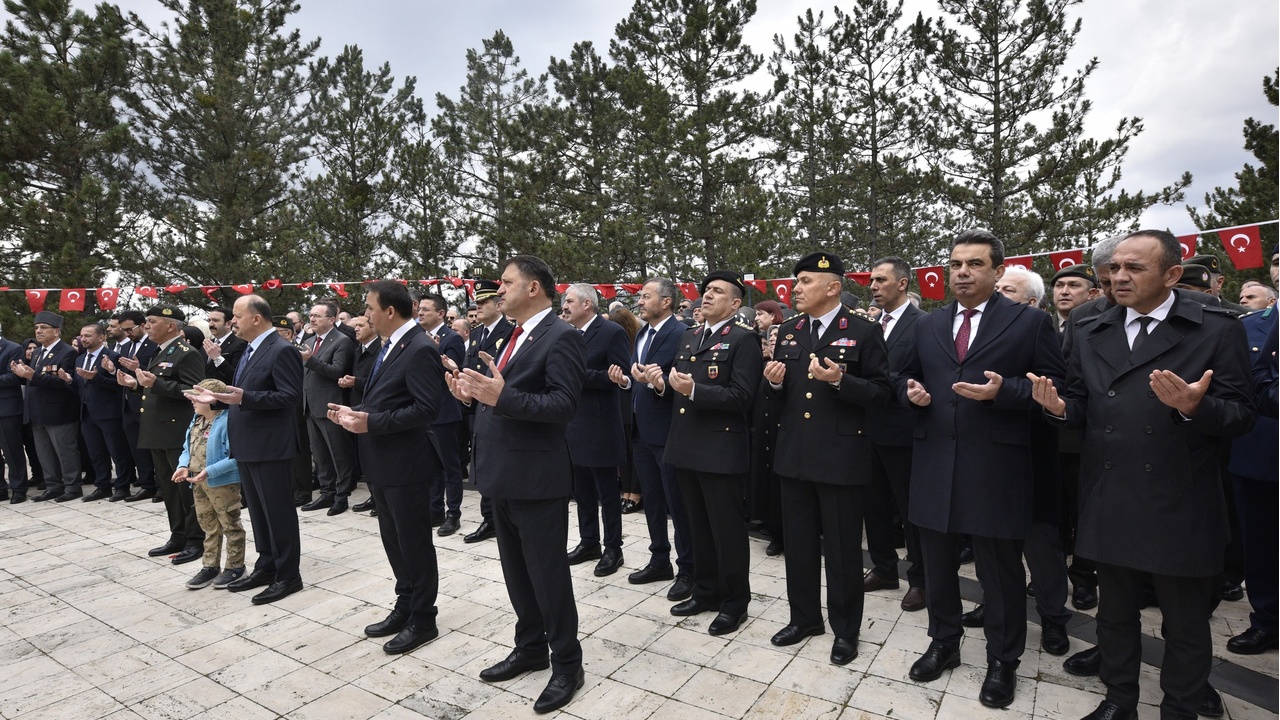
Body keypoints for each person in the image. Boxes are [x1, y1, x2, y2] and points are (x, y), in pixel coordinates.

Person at [1029, 229, 1256, 720]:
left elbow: (1242, 414)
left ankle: (1180, 707)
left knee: (1186, 624)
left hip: (1182, 499)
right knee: (1114, 615)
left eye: (1135, 268)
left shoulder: (1216, 328)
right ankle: (1119, 701)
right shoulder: (1092, 328)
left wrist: (1197, 408)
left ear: (1172, 275)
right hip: (1111, 493)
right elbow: (1081, 405)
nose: (1118, 277)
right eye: (1114, 268)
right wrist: (1058, 409)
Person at [899, 229, 1066, 709]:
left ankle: (1003, 660)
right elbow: (901, 376)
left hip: (998, 466)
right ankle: (944, 643)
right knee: (938, 565)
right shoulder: (928, 325)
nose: (963, 273)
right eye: (955, 264)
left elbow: (1058, 389)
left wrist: (1006, 392)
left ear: (998, 271)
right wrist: (909, 394)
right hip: (934, 463)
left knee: (1000, 571)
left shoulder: (1028, 323)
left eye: (974, 264)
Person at [447, 255, 587, 714]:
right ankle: (530, 648)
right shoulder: (512, 334)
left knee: (547, 574)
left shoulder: (561, 336)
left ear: (533, 288)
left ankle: (567, 663)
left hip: (536, 476)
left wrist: (501, 396)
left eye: (506, 283)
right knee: (516, 572)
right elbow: (500, 398)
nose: (497, 290)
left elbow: (564, 405)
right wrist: (473, 394)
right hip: (501, 472)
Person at [765, 252, 890, 664]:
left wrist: (840, 380)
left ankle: (846, 630)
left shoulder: (863, 330)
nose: (795, 289)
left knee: (841, 551)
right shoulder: (788, 330)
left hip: (840, 457)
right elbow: (782, 397)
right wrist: (775, 384)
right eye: (795, 281)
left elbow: (881, 393)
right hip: (795, 454)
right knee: (798, 546)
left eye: (803, 282)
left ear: (832, 287)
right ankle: (804, 618)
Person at [329, 280, 446, 654]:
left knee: (413, 543)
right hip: (383, 461)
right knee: (393, 540)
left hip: (407, 463)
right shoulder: (389, 345)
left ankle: (423, 618)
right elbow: (385, 399)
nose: (366, 314)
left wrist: (371, 422)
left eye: (369, 308)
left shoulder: (419, 348)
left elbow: (427, 409)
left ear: (390, 311)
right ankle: (405, 604)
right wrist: (357, 412)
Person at [663, 270, 762, 637]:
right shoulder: (690, 337)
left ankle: (735, 601)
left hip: (721, 449)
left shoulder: (742, 340)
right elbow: (680, 388)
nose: (707, 296)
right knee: (696, 525)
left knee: (727, 530)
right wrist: (662, 384)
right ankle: (706, 590)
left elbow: (742, 397)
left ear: (735, 304)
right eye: (706, 291)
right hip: (687, 445)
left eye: (717, 292)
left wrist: (694, 391)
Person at [192, 294, 305, 605]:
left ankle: (288, 575)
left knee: (278, 513)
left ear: (256, 318)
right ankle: (266, 565)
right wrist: (214, 400)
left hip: (271, 445)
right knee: (258, 512)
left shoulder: (282, 349)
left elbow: (289, 397)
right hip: (249, 444)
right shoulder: (250, 349)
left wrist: (243, 397)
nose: (233, 323)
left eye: (237, 317)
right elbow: (243, 393)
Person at [608, 278, 694, 602]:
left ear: (667, 301)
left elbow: (680, 383)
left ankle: (688, 568)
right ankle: (660, 559)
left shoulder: (681, 333)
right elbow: (639, 378)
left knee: (677, 504)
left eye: (646, 296)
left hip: (668, 430)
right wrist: (627, 383)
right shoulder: (642, 333)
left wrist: (659, 385)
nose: (640, 301)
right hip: (640, 430)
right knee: (653, 502)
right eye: (640, 296)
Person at [863, 256, 927, 612]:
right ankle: (884, 567)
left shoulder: (923, 324)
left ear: (902, 283)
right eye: (872, 281)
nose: (873, 286)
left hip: (904, 432)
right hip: (865, 429)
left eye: (880, 280)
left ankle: (920, 579)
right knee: (873, 506)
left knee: (909, 510)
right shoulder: (869, 324)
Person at [120, 305, 206, 563]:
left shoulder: (186, 353)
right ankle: (178, 535)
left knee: (185, 489)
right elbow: (154, 389)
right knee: (168, 488)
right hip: (157, 429)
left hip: (176, 430)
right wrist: (136, 385)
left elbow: (193, 390)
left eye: (152, 321)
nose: (147, 325)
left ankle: (195, 540)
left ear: (171, 326)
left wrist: (154, 383)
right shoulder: (161, 352)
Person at [561, 284, 630, 577]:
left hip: (600, 424)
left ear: (587, 304)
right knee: (582, 491)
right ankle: (588, 541)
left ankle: (613, 547)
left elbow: (619, 375)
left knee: (606, 492)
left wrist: (575, 374)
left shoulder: (611, 332)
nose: (564, 307)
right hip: (572, 422)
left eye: (570, 302)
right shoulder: (567, 333)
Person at [174, 378, 247, 590]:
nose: (192, 401)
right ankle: (210, 566)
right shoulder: (196, 420)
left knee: (230, 523)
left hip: (222, 484)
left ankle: (235, 566)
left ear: (213, 400)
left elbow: (236, 457)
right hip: (198, 483)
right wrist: (183, 466)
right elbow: (187, 448)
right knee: (208, 525)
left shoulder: (227, 422)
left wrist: (210, 471)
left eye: (198, 397)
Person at [459, 280, 514, 543]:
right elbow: (469, 367)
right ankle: (488, 518)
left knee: (498, 463)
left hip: (499, 408)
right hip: (477, 409)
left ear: (498, 304)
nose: (478, 307)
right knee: (480, 462)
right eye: (476, 303)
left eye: (484, 302)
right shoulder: (477, 334)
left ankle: (500, 516)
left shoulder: (509, 332)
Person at [14, 312, 81, 502]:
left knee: (65, 451)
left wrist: (32, 376)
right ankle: (53, 485)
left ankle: (72, 486)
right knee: (44, 453)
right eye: (36, 328)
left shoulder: (67, 352)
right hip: (37, 411)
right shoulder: (36, 352)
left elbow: (64, 382)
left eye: (44, 327)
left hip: (59, 411)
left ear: (57, 331)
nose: (39, 331)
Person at [300, 301, 357, 516]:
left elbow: (337, 372)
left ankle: (342, 496)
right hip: (310, 405)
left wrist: (311, 360)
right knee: (320, 455)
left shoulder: (342, 341)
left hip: (331, 405)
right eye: (311, 315)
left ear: (331, 319)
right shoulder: (309, 340)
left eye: (317, 315)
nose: (312, 319)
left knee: (338, 454)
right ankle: (326, 493)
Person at [418, 293, 467, 536]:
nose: (420, 313)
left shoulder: (452, 338)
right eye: (420, 309)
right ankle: (434, 509)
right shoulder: (417, 337)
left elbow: (455, 373)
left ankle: (453, 513)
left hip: (445, 411)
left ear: (440, 313)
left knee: (450, 466)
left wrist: (435, 352)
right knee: (430, 466)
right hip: (424, 411)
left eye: (426, 309)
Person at [73, 322, 133, 502]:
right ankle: (102, 486)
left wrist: (96, 378)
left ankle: (123, 487)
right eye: (82, 336)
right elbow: (80, 385)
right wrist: (69, 380)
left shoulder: (113, 356)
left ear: (101, 337)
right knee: (96, 452)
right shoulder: (79, 358)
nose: (84, 339)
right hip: (86, 412)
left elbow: (119, 385)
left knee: (117, 451)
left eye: (88, 336)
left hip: (109, 412)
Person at [340, 314, 382, 514]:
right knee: (363, 457)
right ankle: (373, 495)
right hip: (357, 405)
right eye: (354, 325)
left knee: (374, 456)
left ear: (373, 328)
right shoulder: (358, 350)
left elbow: (378, 383)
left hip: (372, 410)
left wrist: (355, 381)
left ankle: (379, 498)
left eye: (360, 325)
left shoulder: (379, 350)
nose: (355, 329)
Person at [0, 332, 27, 503]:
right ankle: (1, 489)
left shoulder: (13, 348)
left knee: (12, 450)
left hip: (6, 407)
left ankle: (19, 488)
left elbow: (16, 377)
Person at [203, 306, 247, 384]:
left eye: (215, 320)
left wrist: (217, 358)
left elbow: (235, 376)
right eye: (209, 320)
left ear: (228, 324)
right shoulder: (207, 343)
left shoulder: (240, 345)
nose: (211, 324)